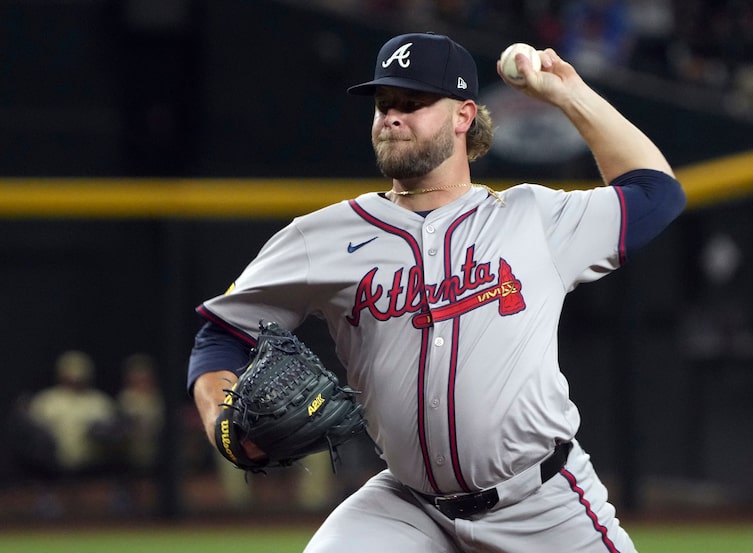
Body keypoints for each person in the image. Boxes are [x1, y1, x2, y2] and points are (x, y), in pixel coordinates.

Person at [188, 32, 686, 552]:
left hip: (540, 504)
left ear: (463, 116)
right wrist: (222, 421)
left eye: (413, 103)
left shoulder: (533, 218)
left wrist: (568, 94)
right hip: (409, 505)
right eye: (384, 105)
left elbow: (656, 194)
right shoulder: (322, 236)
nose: (392, 117)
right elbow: (220, 335)